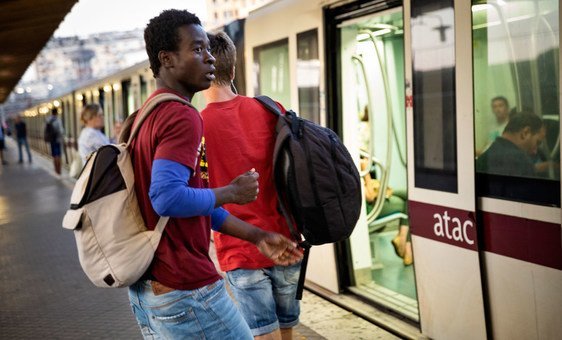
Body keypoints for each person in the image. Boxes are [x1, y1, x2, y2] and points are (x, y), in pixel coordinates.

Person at [125, 10, 302, 340]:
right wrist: (232, 192)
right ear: (167, 59)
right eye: (196, 49)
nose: (208, 58)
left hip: (149, 289)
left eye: (208, 48)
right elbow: (166, 198)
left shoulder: (145, 114)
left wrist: (256, 235)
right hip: (185, 287)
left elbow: (194, 201)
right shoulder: (183, 116)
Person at [201, 31, 301, 340]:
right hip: (286, 240)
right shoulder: (272, 109)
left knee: (262, 335)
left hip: (240, 248)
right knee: (288, 332)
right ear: (232, 71)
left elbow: (199, 194)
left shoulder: (198, 126)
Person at [360, 158, 412, 266]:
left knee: (410, 195)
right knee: (409, 204)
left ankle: (404, 242)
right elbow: (369, 196)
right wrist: (365, 171)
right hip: (370, 208)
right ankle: (404, 243)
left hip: (375, 199)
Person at [476, 111, 545, 177]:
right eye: (537, 142)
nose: (535, 151)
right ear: (526, 133)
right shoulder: (521, 161)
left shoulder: (485, 156)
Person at [47, 108, 64, 175]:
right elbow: (61, 130)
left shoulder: (48, 120)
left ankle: (56, 170)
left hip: (51, 140)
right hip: (58, 140)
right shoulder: (58, 120)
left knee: (54, 155)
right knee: (58, 155)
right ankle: (59, 171)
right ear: (56, 113)